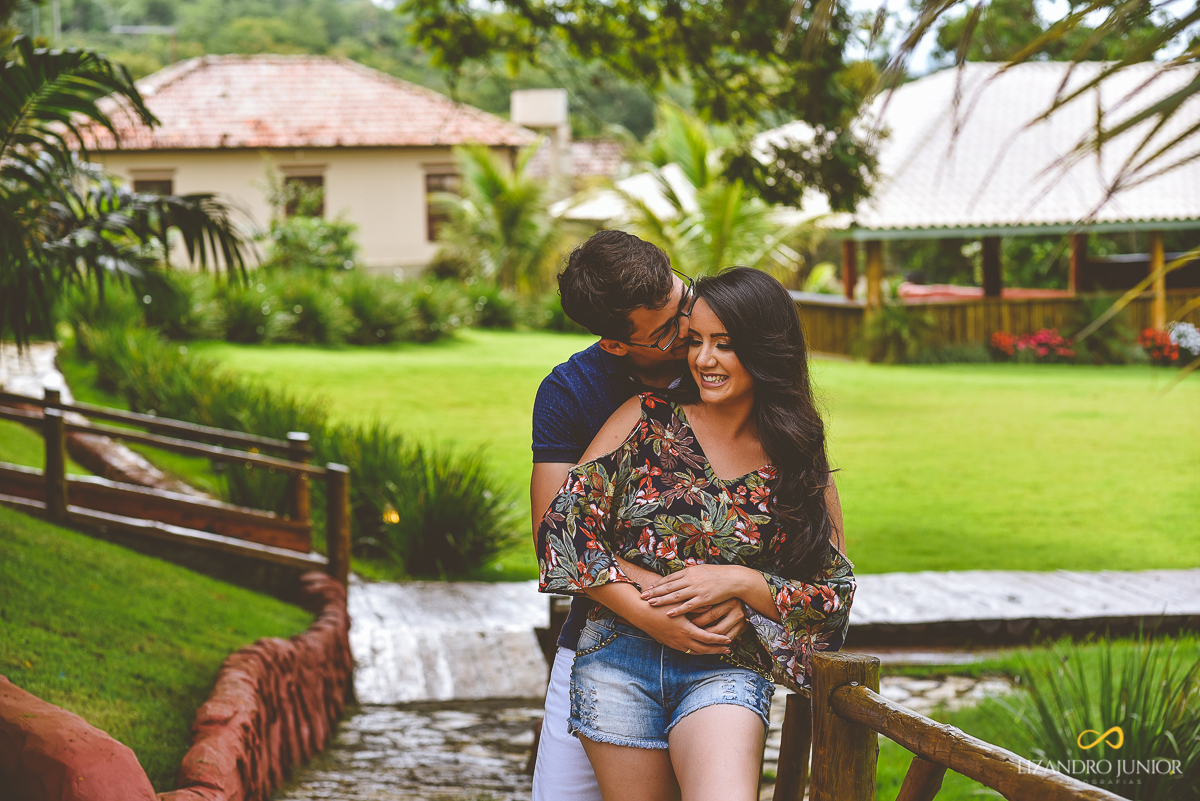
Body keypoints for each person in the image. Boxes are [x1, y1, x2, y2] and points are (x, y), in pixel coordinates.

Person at [536, 267, 855, 801]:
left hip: (724, 668)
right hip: (617, 660)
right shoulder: (645, 418)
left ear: (765, 348)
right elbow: (562, 532)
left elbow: (833, 597)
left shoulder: (797, 454)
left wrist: (741, 583)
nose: (703, 359)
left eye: (724, 345)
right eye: (696, 341)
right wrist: (650, 612)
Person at [530, 231, 750, 801]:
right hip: (601, 637)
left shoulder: (732, 357)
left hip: (720, 650)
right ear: (616, 346)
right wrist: (663, 607)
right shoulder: (571, 392)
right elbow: (552, 534)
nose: (688, 332)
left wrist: (744, 597)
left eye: (685, 301)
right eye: (667, 330)